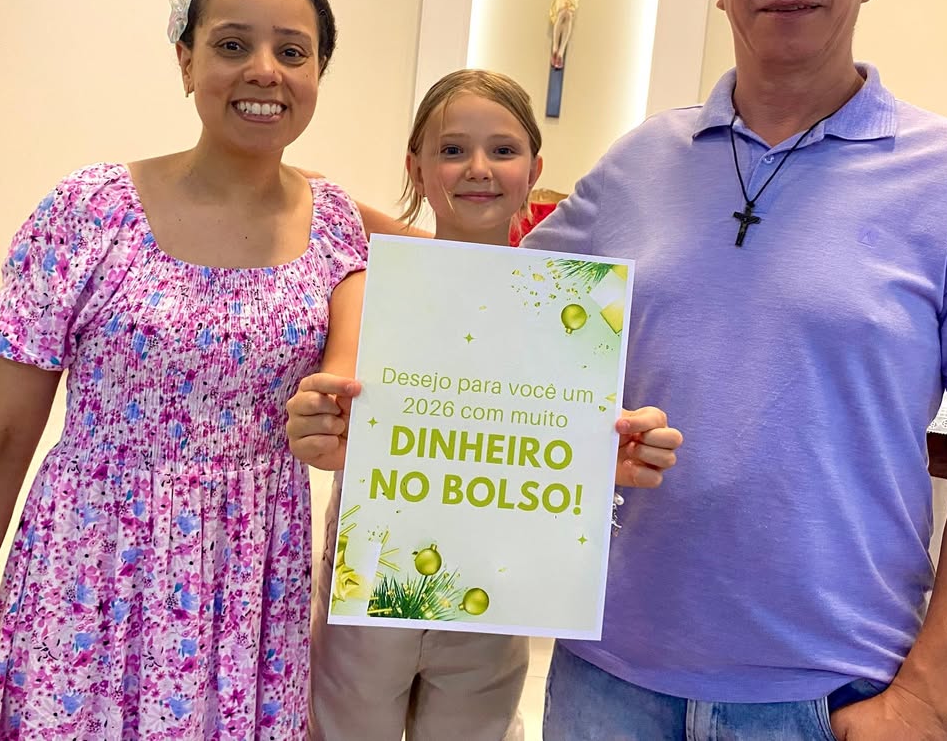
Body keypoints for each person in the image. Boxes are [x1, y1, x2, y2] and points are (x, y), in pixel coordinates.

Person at [518, 0, 947, 741]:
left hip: (831, 695)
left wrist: (936, 695)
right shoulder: (639, 163)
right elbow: (489, 323)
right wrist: (326, 238)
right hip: (605, 679)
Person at [0, 0, 367, 738]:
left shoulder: (334, 222)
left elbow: (464, 266)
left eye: (292, 52)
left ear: (319, 73)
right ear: (187, 61)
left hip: (248, 598)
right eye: (232, 44)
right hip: (86, 587)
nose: (264, 70)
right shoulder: (89, 212)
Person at [286, 69, 682, 740]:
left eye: (503, 150)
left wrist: (616, 453)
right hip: (374, 583)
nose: (478, 168)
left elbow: (581, 440)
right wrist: (320, 420)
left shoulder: (567, 309)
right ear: (415, 167)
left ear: (534, 171)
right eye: (451, 150)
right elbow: (336, 405)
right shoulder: (373, 285)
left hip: (492, 591)